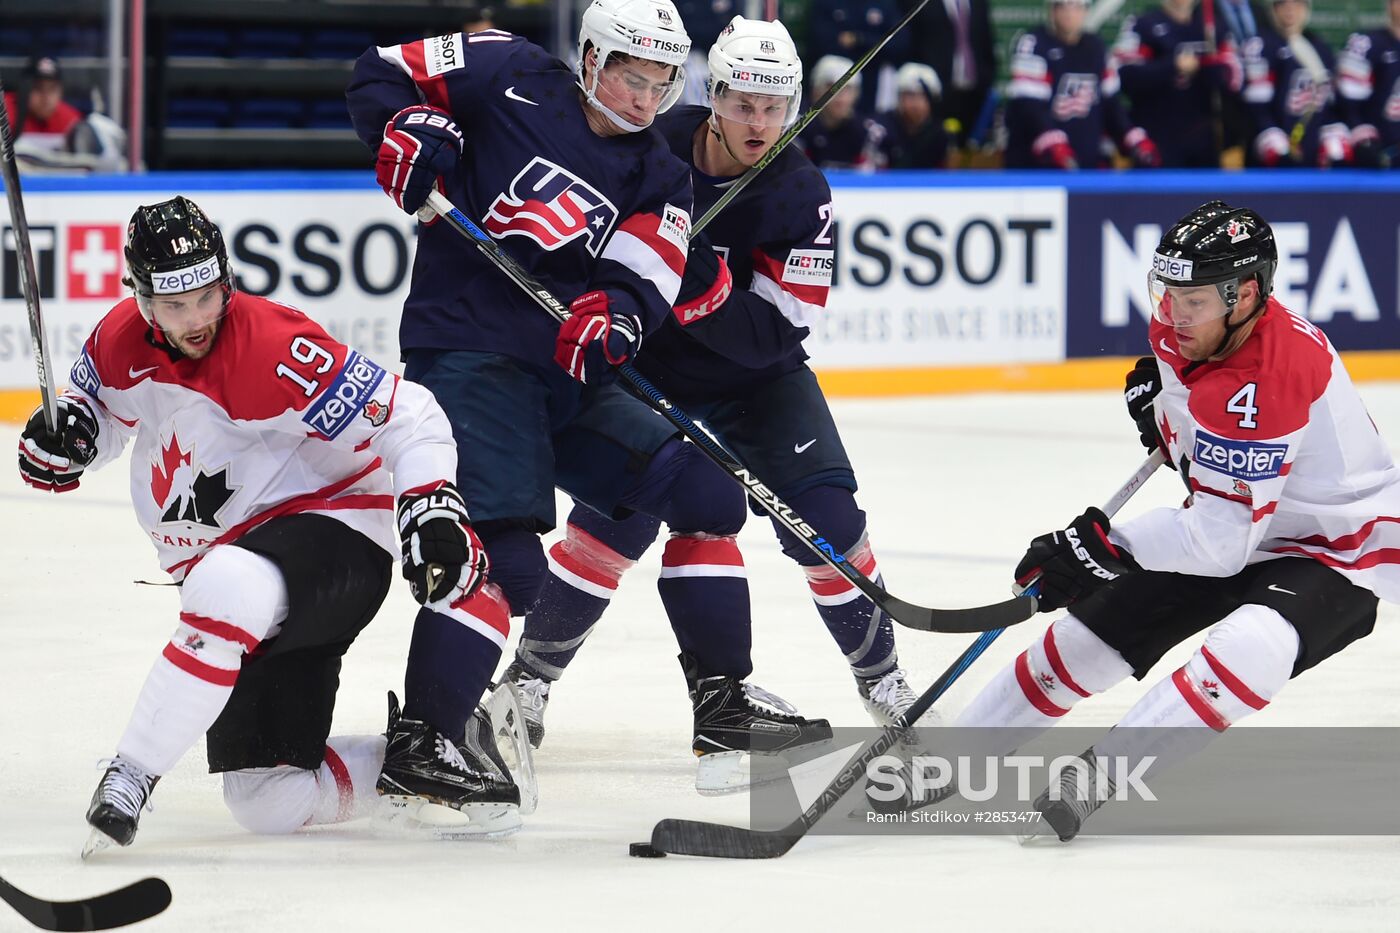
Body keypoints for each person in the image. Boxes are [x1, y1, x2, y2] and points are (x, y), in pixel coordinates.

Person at [345, 2, 823, 798]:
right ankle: (423, 740)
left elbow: (647, 272)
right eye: (630, 77)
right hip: (470, 353)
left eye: (661, 83)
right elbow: (384, 70)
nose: (642, 100)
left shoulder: (660, 170)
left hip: (570, 374)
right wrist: (400, 128)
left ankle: (723, 704)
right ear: (592, 59)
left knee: (707, 492)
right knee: (512, 564)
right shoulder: (504, 66)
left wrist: (621, 315)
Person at [17, 196, 526, 852]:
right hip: (245, 582)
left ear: (225, 278)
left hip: (333, 529)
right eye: (175, 306)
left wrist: (428, 502)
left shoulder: (273, 348)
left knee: (227, 582)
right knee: (267, 798)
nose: (197, 319)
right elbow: (99, 406)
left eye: (207, 295)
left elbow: (413, 414)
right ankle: (441, 752)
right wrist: (73, 436)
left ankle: (129, 777)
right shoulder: (118, 340)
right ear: (142, 302)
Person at [503, 16, 932, 781]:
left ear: (796, 103)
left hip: (757, 384)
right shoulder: (650, 145)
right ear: (714, 94)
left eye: (775, 107)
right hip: (649, 371)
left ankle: (883, 680)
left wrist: (700, 286)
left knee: (827, 524)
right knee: (610, 526)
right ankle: (527, 684)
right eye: (743, 103)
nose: (758, 123)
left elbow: (776, 331)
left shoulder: (802, 192)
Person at [910, 201, 1397, 841]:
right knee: (1087, 640)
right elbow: (1192, 432)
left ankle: (1096, 779)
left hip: (1337, 548)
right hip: (1238, 516)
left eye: (1191, 299)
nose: (1170, 312)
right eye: (1166, 292)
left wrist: (1099, 549)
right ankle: (951, 762)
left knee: (1252, 648)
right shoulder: (1186, 327)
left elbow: (1219, 546)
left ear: (1245, 294)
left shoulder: (1273, 376)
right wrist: (1168, 416)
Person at [1003, 0, 1161, 170]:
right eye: (1062, 6)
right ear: (1051, 10)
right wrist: (1053, 145)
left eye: (1076, 7)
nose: (1069, 14)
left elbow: (1111, 106)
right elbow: (1029, 109)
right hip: (1037, 170)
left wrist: (1132, 139)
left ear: (1085, 11)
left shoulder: (1096, 47)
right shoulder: (1033, 44)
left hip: (1087, 165)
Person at [1113, 0, 1243, 167]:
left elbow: (1234, 79)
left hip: (1203, 138)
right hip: (1156, 136)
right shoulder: (1142, 24)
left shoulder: (1214, 26)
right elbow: (1124, 76)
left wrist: (1207, 67)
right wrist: (1172, 66)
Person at [1241, 0, 1350, 166]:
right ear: (1273, 9)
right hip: (1273, 156)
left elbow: (1328, 107)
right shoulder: (1261, 45)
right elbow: (1257, 111)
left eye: (1297, 3)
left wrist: (1332, 142)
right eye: (1282, 4)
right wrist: (1276, 142)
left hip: (1312, 152)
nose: (1289, 9)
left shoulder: (1319, 47)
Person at [2, 55, 126, 173]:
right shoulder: (5, 111)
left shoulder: (70, 119)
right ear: (24, 89)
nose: (46, 98)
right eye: (38, 88)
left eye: (52, 89)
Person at [904, 0, 998, 145]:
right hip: (937, 92)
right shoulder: (922, 3)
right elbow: (913, 43)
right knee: (936, 146)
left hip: (974, 91)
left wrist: (986, 76)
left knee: (971, 149)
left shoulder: (979, 3)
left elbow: (986, 41)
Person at [1335, 0, 1400, 168]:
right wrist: (1363, 137)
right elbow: (1348, 105)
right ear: (1389, 5)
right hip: (1381, 150)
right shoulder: (1366, 44)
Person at [798, 54, 887, 170]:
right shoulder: (796, 129)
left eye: (848, 88)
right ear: (815, 91)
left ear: (857, 94)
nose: (840, 95)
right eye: (832, 87)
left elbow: (873, 179)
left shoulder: (869, 133)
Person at [878, 61, 951, 168]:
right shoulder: (882, 128)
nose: (917, 103)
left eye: (923, 96)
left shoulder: (939, 133)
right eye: (910, 95)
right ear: (899, 96)